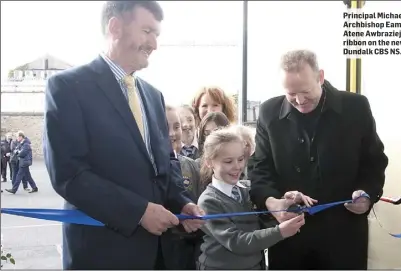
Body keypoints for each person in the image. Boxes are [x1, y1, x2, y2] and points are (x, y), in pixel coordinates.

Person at [43, 1, 204, 269]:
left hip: (159, 254)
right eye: (147, 31)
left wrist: (181, 203)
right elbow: (69, 175)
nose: (154, 44)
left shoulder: (153, 96)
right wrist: (138, 212)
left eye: (157, 35)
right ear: (115, 27)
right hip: (103, 253)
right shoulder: (67, 87)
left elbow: (165, 163)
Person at [248, 49, 389, 270]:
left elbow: (374, 162)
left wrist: (367, 194)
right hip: (290, 237)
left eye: (305, 91)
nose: (299, 100)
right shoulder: (268, 112)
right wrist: (270, 202)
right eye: (291, 94)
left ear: (320, 77)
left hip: (344, 235)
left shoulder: (356, 107)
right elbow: (259, 168)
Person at [197, 128, 311, 270]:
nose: (237, 167)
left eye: (240, 159)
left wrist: (285, 203)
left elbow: (261, 221)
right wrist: (280, 232)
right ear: (209, 162)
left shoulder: (249, 189)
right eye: (228, 161)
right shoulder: (208, 201)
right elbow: (237, 242)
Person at [161, 105, 203, 270]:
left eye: (176, 127)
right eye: (165, 128)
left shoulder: (191, 165)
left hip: (189, 251)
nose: (172, 133)